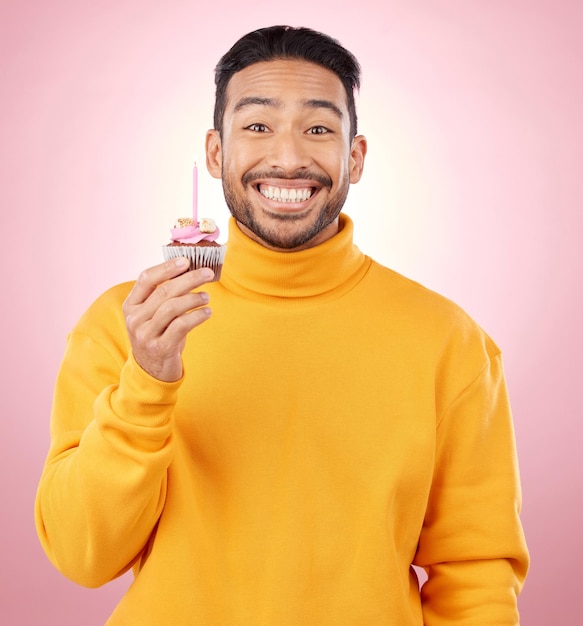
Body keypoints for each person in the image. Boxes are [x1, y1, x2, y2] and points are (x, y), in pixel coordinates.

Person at [35, 25, 529, 624]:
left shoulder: (450, 342)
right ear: (217, 153)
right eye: (258, 126)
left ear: (356, 156)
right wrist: (146, 382)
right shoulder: (128, 325)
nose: (289, 158)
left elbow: (474, 572)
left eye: (318, 128)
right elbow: (81, 555)